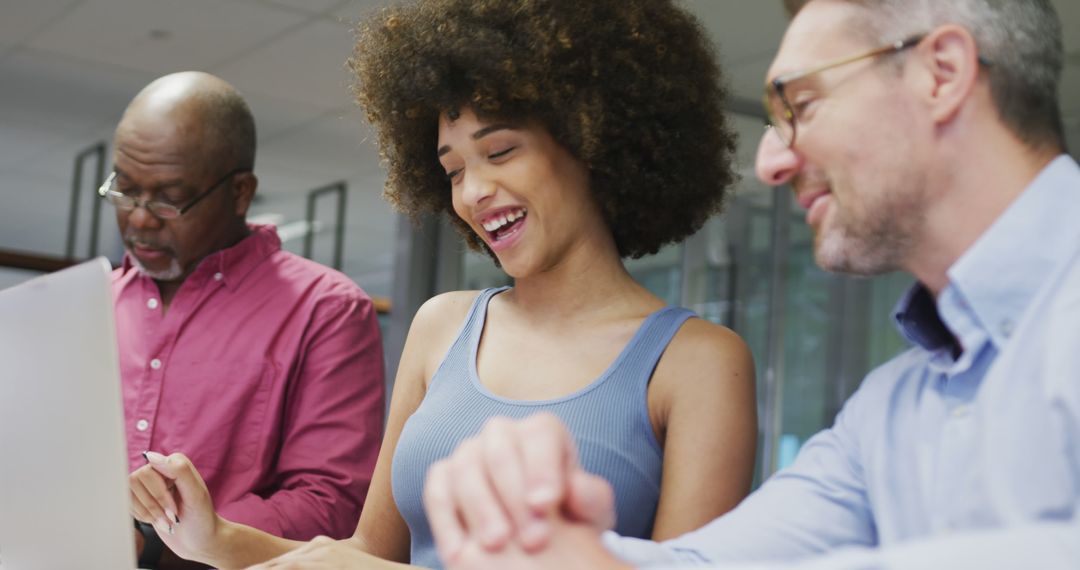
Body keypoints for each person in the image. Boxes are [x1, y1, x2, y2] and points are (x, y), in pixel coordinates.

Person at [421, 0, 1080, 568]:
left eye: (802, 105)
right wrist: (553, 538)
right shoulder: (887, 413)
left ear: (942, 74)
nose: (770, 161)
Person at [122, 0, 758, 568]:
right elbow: (366, 556)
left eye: (500, 151)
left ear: (592, 140)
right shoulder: (442, 326)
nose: (474, 193)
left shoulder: (698, 363)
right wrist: (215, 541)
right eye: (452, 170)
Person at [110, 71, 386, 569]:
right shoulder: (94, 303)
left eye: (169, 199)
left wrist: (162, 545)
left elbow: (332, 503)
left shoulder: (325, 309)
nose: (140, 219)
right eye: (124, 192)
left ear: (240, 192)